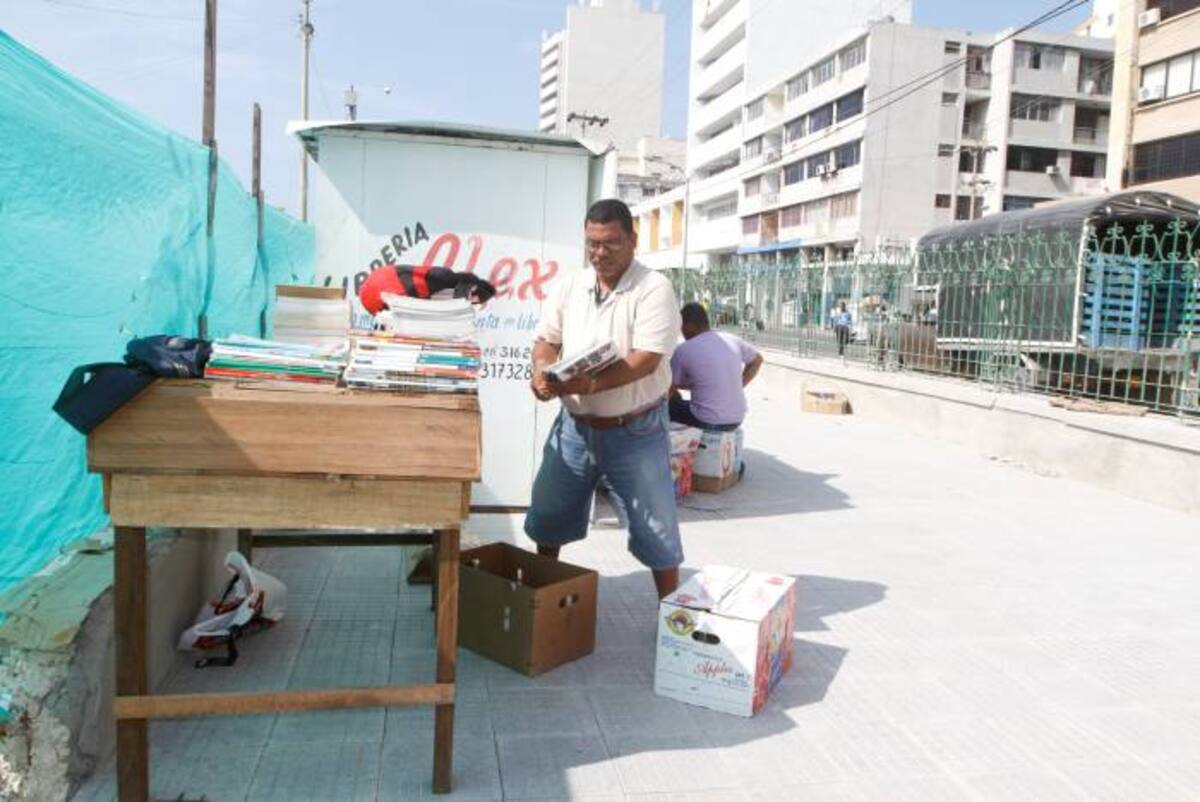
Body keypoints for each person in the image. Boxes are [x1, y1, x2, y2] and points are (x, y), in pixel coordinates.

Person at [525, 199, 683, 599]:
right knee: (548, 514)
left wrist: (589, 385)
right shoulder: (571, 286)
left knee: (656, 530)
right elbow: (546, 340)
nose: (600, 253)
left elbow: (646, 361)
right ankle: (543, 602)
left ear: (632, 240)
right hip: (575, 428)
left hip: (636, 430)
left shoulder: (654, 288)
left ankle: (671, 617)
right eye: (592, 243)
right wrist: (542, 371)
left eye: (611, 243)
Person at [669, 303, 763, 432]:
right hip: (737, 418)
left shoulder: (684, 349)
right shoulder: (732, 339)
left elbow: (668, 388)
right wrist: (738, 385)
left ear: (688, 324)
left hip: (706, 420)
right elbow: (757, 360)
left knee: (670, 403)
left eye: (681, 326)